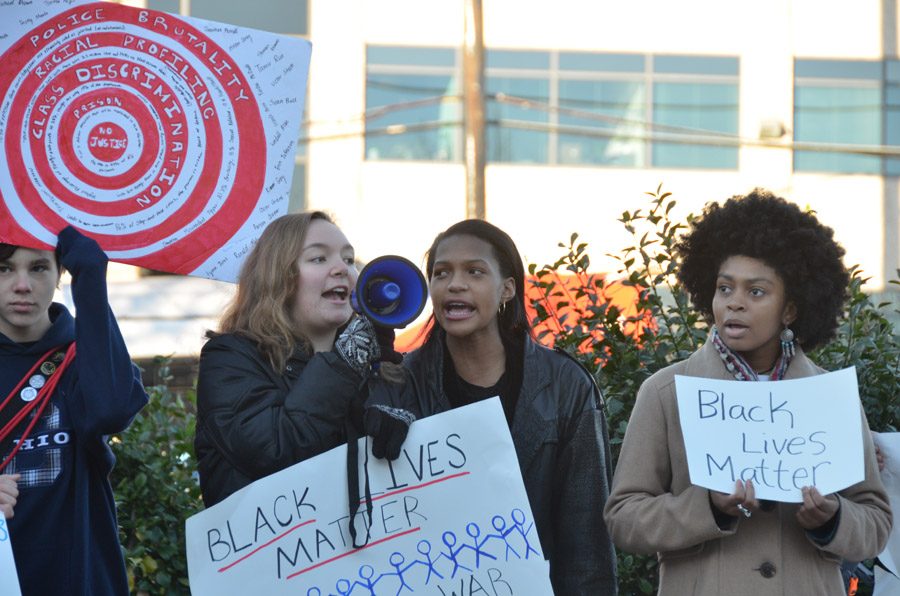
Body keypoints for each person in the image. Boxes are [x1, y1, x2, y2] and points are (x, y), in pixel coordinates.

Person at [603, 189, 892, 595]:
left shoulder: (830, 397)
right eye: (725, 288)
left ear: (790, 309)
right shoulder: (665, 392)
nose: (734, 303)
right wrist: (705, 508)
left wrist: (832, 518)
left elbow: (876, 523)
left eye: (755, 292)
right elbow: (624, 519)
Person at [366, 219, 618, 594]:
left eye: (474, 271)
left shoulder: (566, 386)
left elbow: (588, 541)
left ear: (507, 289)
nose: (455, 283)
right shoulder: (399, 383)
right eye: (441, 273)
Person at [195, 211, 398, 507]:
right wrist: (344, 364)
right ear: (279, 277)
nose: (342, 268)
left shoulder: (369, 365)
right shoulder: (230, 358)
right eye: (319, 258)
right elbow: (275, 452)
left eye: (349, 259)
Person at [0, 226, 148, 595]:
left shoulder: (85, 353)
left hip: (81, 577)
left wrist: (92, 281)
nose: (22, 285)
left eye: (38, 267)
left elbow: (111, 411)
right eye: (4, 268)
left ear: (60, 273)